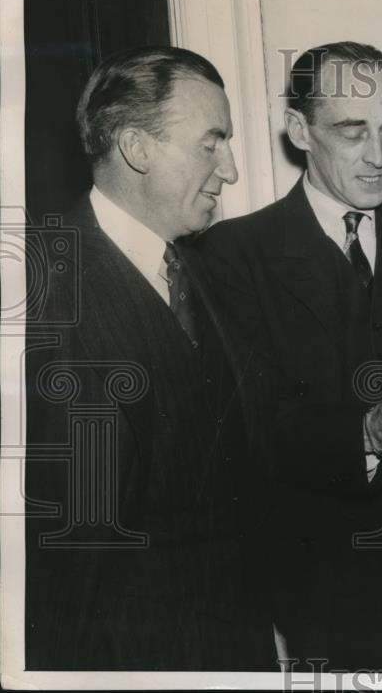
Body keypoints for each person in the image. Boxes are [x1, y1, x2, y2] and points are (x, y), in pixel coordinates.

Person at [197, 42, 382, 671]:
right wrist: (366, 432)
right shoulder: (231, 255)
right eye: (352, 132)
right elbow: (251, 427)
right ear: (300, 130)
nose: (378, 157)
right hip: (316, 582)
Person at [25, 46, 275, 670]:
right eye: (211, 143)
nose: (232, 169)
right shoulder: (51, 297)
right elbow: (69, 568)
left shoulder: (206, 271)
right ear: (137, 148)